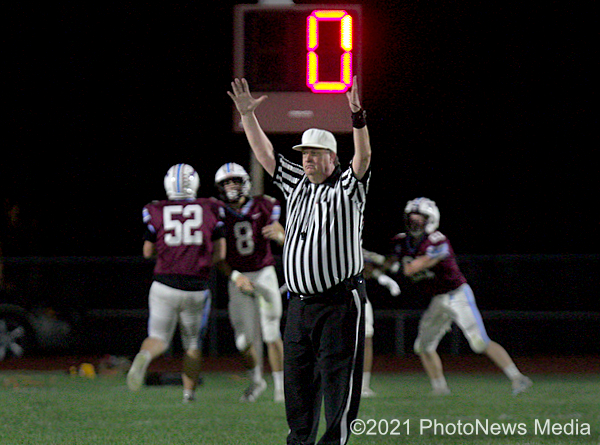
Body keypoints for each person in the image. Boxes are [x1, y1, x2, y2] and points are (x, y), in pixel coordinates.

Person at [229, 76, 371, 445]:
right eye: (304, 153)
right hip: (300, 304)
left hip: (339, 302)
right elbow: (266, 155)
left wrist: (357, 117)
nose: (306, 158)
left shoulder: (347, 188)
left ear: (332, 158)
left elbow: (364, 158)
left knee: (338, 381)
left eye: (314, 153)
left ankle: (333, 442)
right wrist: (248, 117)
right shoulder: (296, 183)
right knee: (297, 383)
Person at [388, 197, 533, 396]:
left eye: (419, 218)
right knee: (422, 346)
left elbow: (414, 267)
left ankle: (518, 378)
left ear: (430, 219)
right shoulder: (401, 241)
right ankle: (440, 389)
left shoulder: (437, 240)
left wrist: (400, 266)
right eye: (411, 217)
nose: (414, 222)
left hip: (457, 294)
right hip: (438, 299)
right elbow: (391, 261)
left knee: (479, 341)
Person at [127, 163, 226, 403]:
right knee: (192, 343)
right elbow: (221, 254)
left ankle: (145, 356)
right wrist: (200, 263)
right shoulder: (211, 207)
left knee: (159, 338)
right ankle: (188, 394)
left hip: (164, 284)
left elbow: (148, 251)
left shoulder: (156, 209)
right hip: (196, 287)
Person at [213, 162, 285, 403]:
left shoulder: (265, 204)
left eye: (235, 181)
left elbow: (285, 236)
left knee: (271, 333)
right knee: (244, 339)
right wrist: (235, 276)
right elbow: (218, 258)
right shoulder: (218, 213)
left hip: (264, 273)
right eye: (225, 182)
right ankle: (256, 381)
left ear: (245, 183)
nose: (231, 186)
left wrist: (281, 235)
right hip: (238, 277)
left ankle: (280, 387)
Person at [360, 249, 401, 397]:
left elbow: (370, 266)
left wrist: (382, 273)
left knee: (365, 339)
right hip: (342, 297)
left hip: (355, 296)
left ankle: (363, 386)